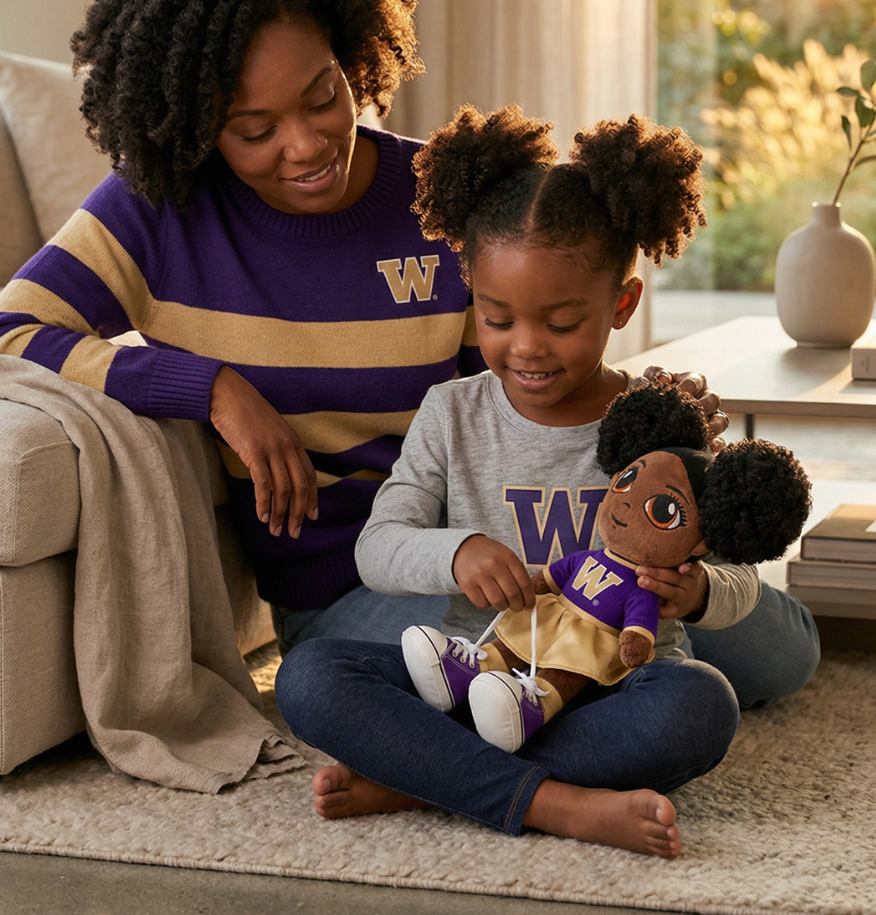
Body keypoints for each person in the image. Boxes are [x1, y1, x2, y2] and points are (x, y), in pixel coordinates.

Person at [275, 104, 820, 857]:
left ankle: (426, 777)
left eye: (561, 324)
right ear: (472, 291)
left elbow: (740, 581)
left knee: (702, 704)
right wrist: (457, 552)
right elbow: (379, 547)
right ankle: (555, 802)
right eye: (498, 319)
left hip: (614, 692)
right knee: (309, 676)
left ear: (621, 304)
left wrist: (696, 594)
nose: (527, 348)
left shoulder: (660, 421)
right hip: (475, 679)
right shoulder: (451, 413)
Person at [0, 0, 484, 652]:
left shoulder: (443, 194)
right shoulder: (160, 212)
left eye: (323, 97)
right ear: (203, 129)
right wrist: (211, 387)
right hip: (342, 595)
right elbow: (4, 336)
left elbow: (511, 399)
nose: (306, 146)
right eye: (256, 130)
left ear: (351, 58)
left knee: (633, 637)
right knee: (532, 665)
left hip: (492, 549)